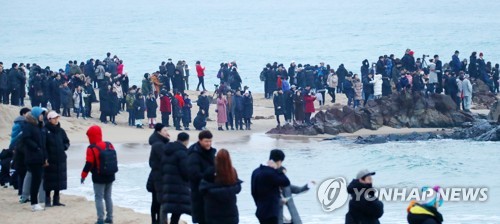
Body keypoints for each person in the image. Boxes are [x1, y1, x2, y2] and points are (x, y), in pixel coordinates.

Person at [81, 125, 117, 224]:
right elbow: (114, 159)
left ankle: (100, 219)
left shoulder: (91, 148)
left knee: (98, 197)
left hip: (98, 176)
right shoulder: (108, 144)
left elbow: (89, 163)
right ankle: (110, 217)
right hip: (110, 175)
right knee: (108, 197)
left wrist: (83, 176)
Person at [200, 149, 242, 224]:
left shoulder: (210, 171)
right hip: (230, 209)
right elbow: (237, 188)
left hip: (213, 210)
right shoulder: (232, 171)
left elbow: (203, 188)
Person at [158, 132, 190, 224]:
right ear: (186, 141)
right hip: (178, 184)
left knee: (167, 206)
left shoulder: (167, 150)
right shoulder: (182, 152)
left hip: (166, 182)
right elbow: (185, 171)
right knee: (177, 209)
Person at [251, 149, 291, 224]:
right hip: (270, 212)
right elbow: (286, 182)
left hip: (260, 209)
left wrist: (259, 204)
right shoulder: (271, 173)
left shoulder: (256, 171)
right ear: (279, 161)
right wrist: (280, 171)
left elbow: (253, 192)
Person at [22, 107, 48, 211]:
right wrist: (36, 147)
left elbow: (43, 143)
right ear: (36, 115)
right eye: (41, 114)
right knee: (35, 180)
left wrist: (44, 156)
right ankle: (34, 203)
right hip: (33, 157)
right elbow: (26, 138)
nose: (42, 116)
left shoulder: (39, 126)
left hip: (39, 157)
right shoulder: (29, 126)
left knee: (37, 179)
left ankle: (35, 202)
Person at [188, 131, 217, 224]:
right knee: (203, 218)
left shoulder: (211, 153)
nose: (208, 143)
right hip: (199, 191)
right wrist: (211, 177)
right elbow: (194, 174)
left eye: (210, 141)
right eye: (206, 141)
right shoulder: (194, 155)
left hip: (210, 190)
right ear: (200, 141)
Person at [44, 111, 70, 207]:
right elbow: (44, 145)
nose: (56, 120)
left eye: (57, 118)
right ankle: (47, 200)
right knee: (49, 180)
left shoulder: (61, 130)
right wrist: (45, 157)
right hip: (50, 159)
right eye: (54, 118)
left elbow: (66, 141)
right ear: (49, 119)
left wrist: (64, 147)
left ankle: (56, 200)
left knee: (59, 180)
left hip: (60, 158)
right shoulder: (45, 130)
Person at [147, 123, 170, 224]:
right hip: (158, 177)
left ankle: (155, 220)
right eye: (165, 130)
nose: (167, 133)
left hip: (156, 176)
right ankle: (157, 221)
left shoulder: (159, 142)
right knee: (158, 201)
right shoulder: (158, 145)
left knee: (156, 201)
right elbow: (162, 160)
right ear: (159, 132)